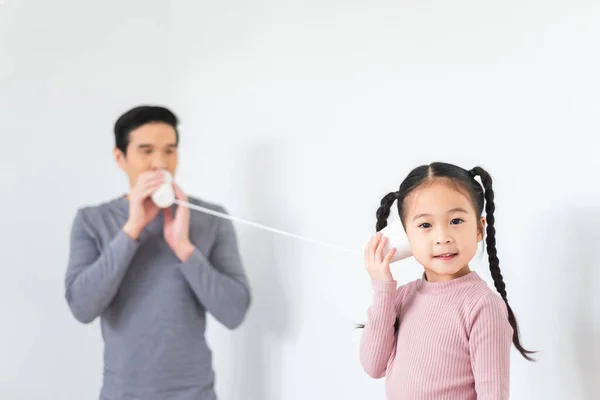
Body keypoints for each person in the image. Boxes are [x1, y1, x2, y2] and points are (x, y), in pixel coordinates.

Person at [64, 105, 252, 400]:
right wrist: (131, 231)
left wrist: (185, 250)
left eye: (169, 150)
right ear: (120, 157)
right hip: (122, 393)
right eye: (146, 150)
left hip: (195, 393)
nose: (159, 163)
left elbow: (234, 312)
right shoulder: (92, 220)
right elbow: (82, 307)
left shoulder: (211, 218)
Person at [359, 161, 535, 399]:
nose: (442, 237)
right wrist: (382, 289)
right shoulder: (400, 298)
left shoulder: (482, 306)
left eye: (456, 221)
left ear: (479, 228)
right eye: (425, 225)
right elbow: (373, 366)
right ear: (404, 236)